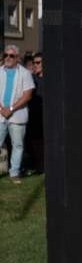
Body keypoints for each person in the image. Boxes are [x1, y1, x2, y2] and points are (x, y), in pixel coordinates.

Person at [0, 44, 35, 184]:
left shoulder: (25, 73)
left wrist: (11, 108)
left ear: (17, 58)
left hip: (18, 115)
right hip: (1, 113)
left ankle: (14, 173)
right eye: (6, 55)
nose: (8, 58)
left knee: (18, 145)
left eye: (11, 56)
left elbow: (28, 95)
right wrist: (2, 109)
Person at [25, 52, 45, 174]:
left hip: (45, 114)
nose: (35, 65)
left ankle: (42, 166)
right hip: (33, 114)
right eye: (34, 63)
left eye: (38, 63)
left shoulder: (50, 79)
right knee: (33, 141)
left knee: (43, 141)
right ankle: (37, 166)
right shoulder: (31, 79)